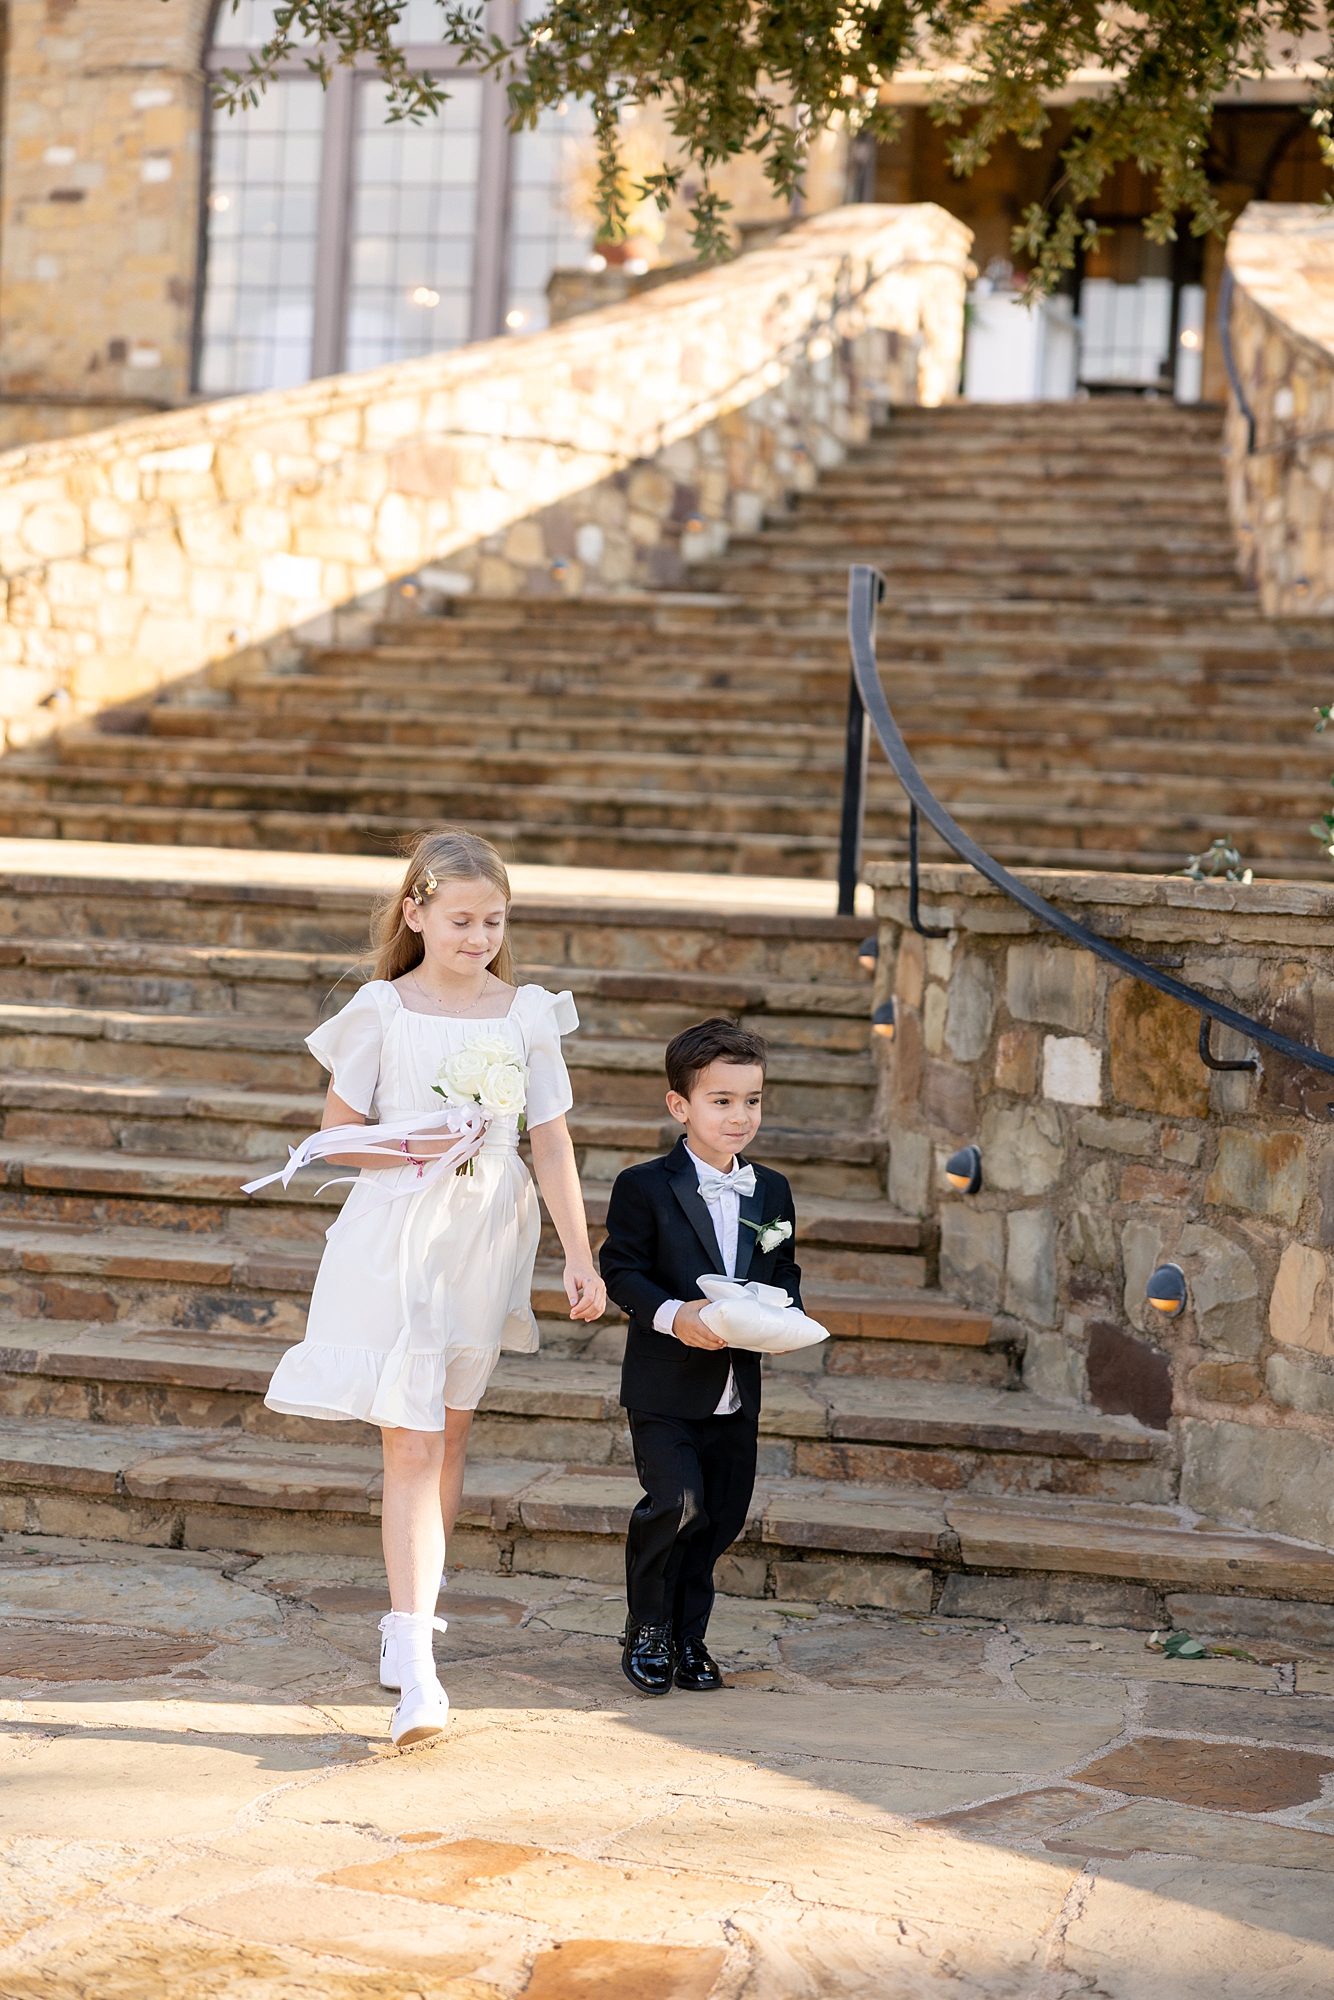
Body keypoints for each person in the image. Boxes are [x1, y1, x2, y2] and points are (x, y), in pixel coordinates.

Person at [252, 828, 606, 1746]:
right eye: (459, 918)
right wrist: (423, 1137)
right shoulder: (381, 1008)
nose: (477, 935)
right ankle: (418, 1668)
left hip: (486, 1235)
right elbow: (336, 1137)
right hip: (396, 1231)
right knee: (408, 1440)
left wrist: (579, 1251)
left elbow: (552, 1141)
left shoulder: (527, 1012)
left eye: (493, 919)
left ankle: (411, 1619)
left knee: (448, 1436)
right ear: (415, 913)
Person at [599, 1018, 801, 1696]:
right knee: (676, 1503)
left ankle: (690, 1637)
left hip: (735, 1389)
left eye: (753, 1100)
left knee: (720, 1516)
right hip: (664, 1386)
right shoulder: (643, 1185)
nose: (740, 1116)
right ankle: (648, 1627)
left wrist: (778, 1313)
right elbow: (623, 1272)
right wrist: (674, 1316)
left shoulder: (770, 1191)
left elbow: (784, 1267)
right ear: (680, 1106)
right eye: (722, 1100)